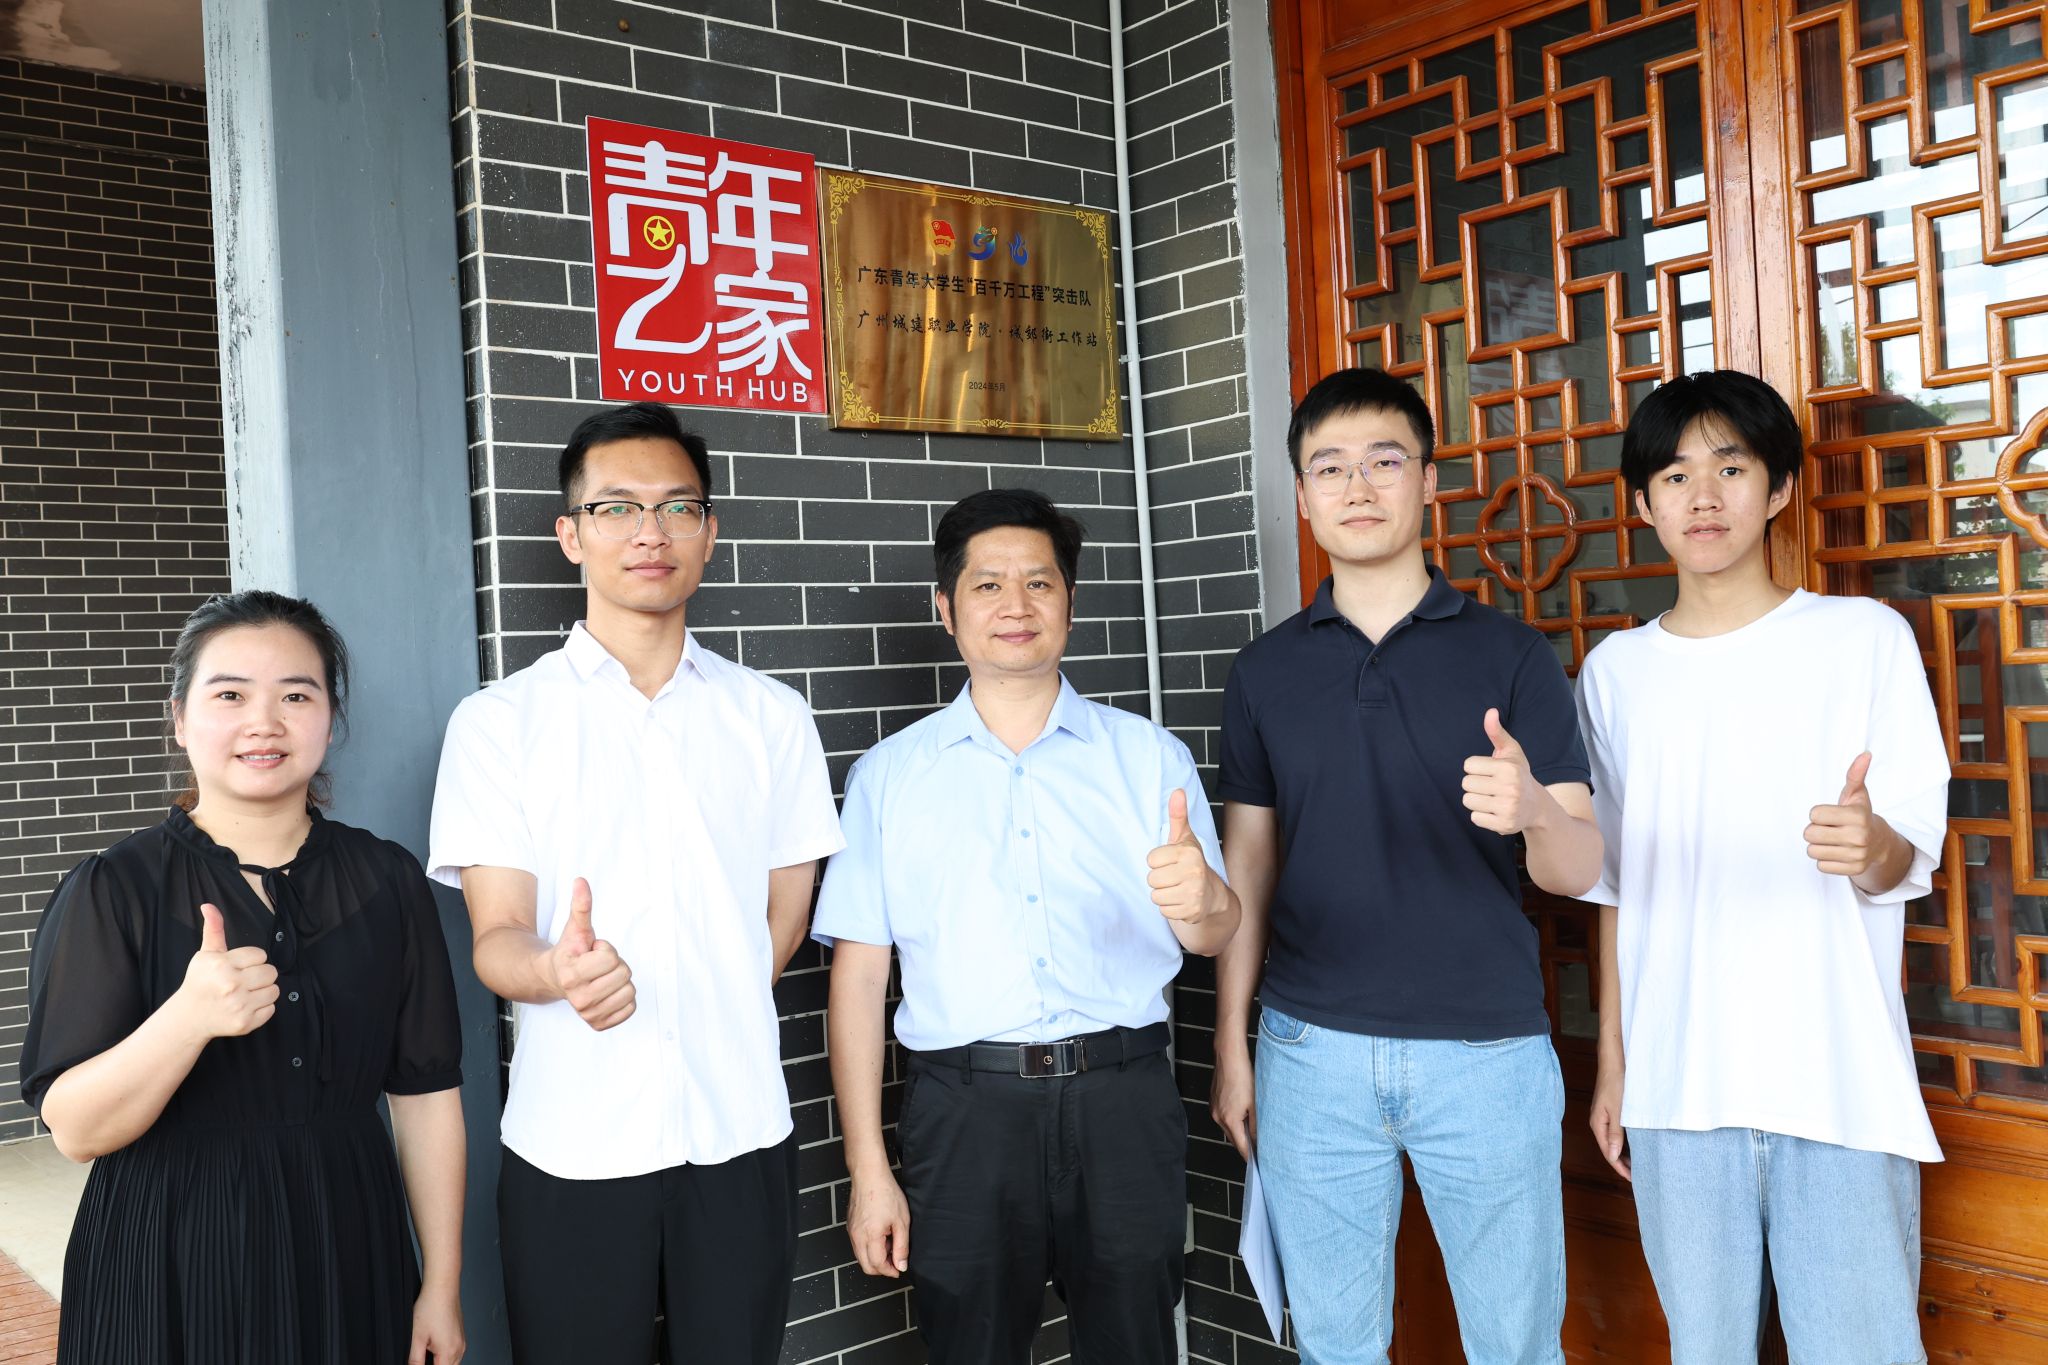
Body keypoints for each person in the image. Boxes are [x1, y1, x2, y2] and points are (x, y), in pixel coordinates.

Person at [428, 400, 842, 1365]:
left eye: (676, 507)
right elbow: (497, 937)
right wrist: (555, 972)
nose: (649, 532)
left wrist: (707, 989)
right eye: (615, 508)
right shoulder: (500, 723)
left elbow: (782, 922)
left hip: (740, 1128)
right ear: (570, 535)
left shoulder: (772, 717)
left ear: (709, 532)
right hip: (574, 1140)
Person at [1209, 368, 1603, 1365]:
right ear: (1302, 495)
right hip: (1309, 1052)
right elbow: (1248, 866)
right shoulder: (1263, 672)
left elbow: (1577, 866)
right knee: (1335, 1346)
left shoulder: (1512, 655)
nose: (1357, 486)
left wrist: (1533, 813)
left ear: (1428, 481)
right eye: (1328, 467)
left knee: (1516, 1345)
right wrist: (1231, 1043)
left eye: (1384, 462)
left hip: (1485, 1053)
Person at [815, 488, 1239, 1364]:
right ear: (946, 608)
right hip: (963, 1112)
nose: (1016, 604)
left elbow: (1214, 933)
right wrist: (869, 1170)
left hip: (1123, 1099)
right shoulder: (889, 777)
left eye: (1040, 583)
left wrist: (1204, 899)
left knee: (1135, 1346)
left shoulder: (1147, 757)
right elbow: (857, 981)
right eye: (988, 585)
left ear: (1070, 604)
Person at [1579, 369, 1947, 1363]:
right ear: (1644, 502)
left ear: (1779, 487)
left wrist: (1871, 845)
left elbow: (1906, 849)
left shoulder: (1861, 640)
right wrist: (1615, 1059)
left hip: (1835, 1080)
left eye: (1731, 468)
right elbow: (1617, 883)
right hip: (1677, 1086)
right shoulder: (1615, 675)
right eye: (1673, 475)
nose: (1702, 496)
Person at [19, 590, 467, 1365]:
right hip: (169, 1258)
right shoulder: (116, 888)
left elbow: (426, 1098)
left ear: (331, 717)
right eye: (230, 695)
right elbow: (78, 1130)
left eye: (297, 695)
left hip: (347, 1245)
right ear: (180, 718)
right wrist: (187, 1018)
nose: (265, 722)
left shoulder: (387, 880)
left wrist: (442, 1284)